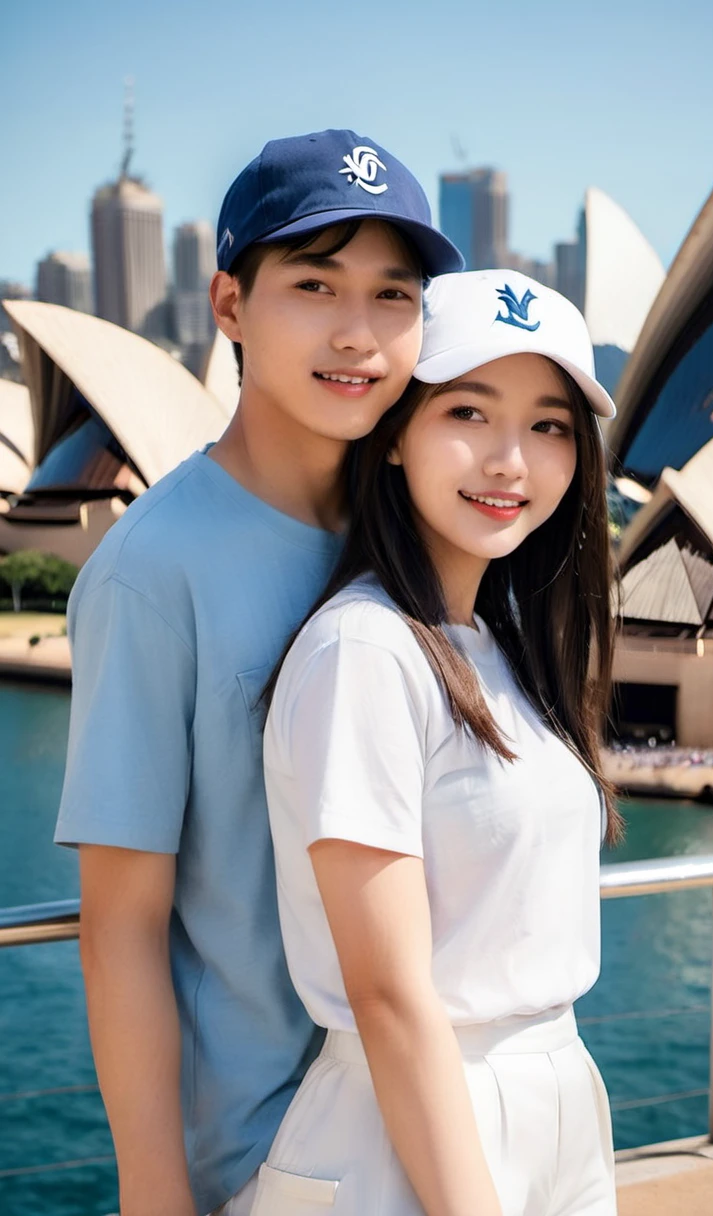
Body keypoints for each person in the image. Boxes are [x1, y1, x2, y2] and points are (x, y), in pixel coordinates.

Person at [54, 129, 462, 1216]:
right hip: (279, 1156)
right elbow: (122, 924)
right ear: (230, 305)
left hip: (438, 1118)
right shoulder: (154, 567)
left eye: (392, 294)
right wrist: (155, 1193)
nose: (356, 332)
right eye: (314, 284)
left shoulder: (419, 529)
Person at [260, 269, 623, 1216]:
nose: (510, 459)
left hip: (555, 1097)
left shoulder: (504, 646)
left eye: (549, 426)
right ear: (394, 438)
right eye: (469, 411)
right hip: (411, 1123)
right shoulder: (364, 650)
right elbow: (389, 1000)